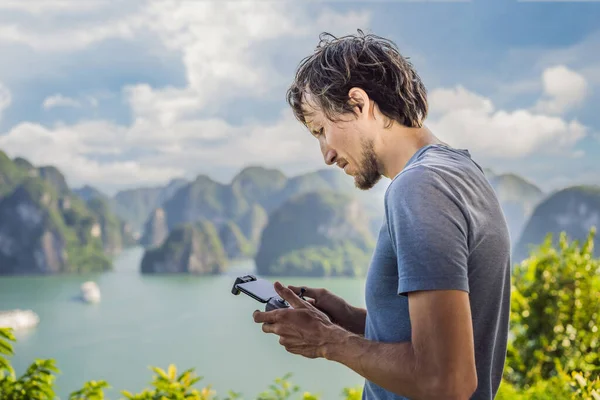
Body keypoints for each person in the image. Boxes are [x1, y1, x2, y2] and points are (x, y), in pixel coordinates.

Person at [252, 30, 511, 400]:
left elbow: (447, 380)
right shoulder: (460, 170)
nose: (325, 154)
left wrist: (328, 342)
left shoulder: (420, 187)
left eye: (321, 130)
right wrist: (347, 318)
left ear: (358, 103)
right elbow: (434, 339)